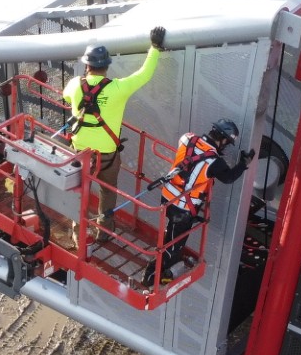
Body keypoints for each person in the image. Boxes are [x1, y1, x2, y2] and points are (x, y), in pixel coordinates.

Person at [63, 27, 166, 221]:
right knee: (108, 192)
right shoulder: (119, 88)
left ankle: (78, 230)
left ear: (87, 66)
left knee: (79, 189)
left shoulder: (75, 83)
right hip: (107, 155)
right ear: (107, 66)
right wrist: (155, 47)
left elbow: (66, 96)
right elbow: (144, 74)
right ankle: (104, 230)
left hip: (79, 151)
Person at [148, 120, 253, 286]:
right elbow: (228, 178)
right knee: (174, 244)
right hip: (183, 208)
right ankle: (151, 276)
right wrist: (243, 164)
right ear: (223, 140)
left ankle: (162, 266)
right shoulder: (215, 162)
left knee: (171, 233)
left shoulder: (187, 138)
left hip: (167, 196)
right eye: (226, 142)